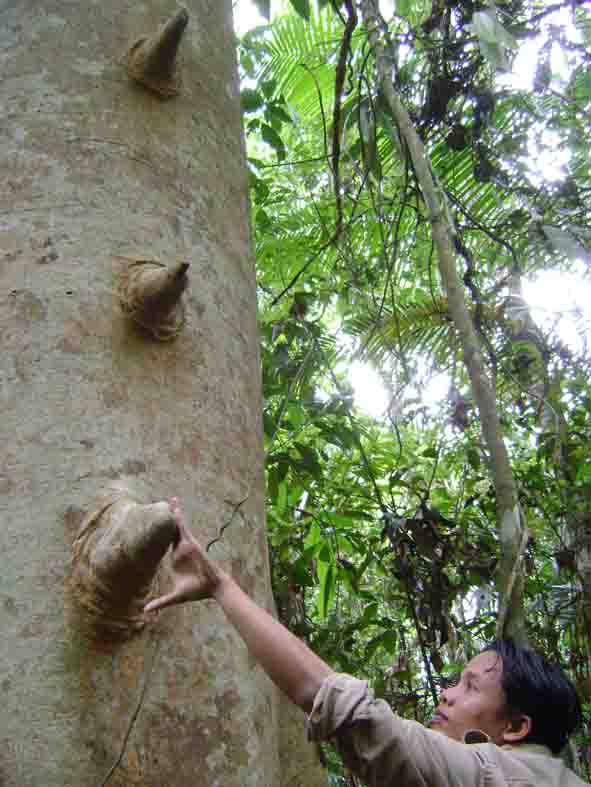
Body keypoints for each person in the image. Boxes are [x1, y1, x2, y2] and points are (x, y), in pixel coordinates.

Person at [146, 499, 587, 787]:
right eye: (457, 681)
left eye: (471, 686)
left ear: (516, 727)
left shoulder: (508, 777)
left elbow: (354, 715)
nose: (447, 694)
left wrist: (219, 584)